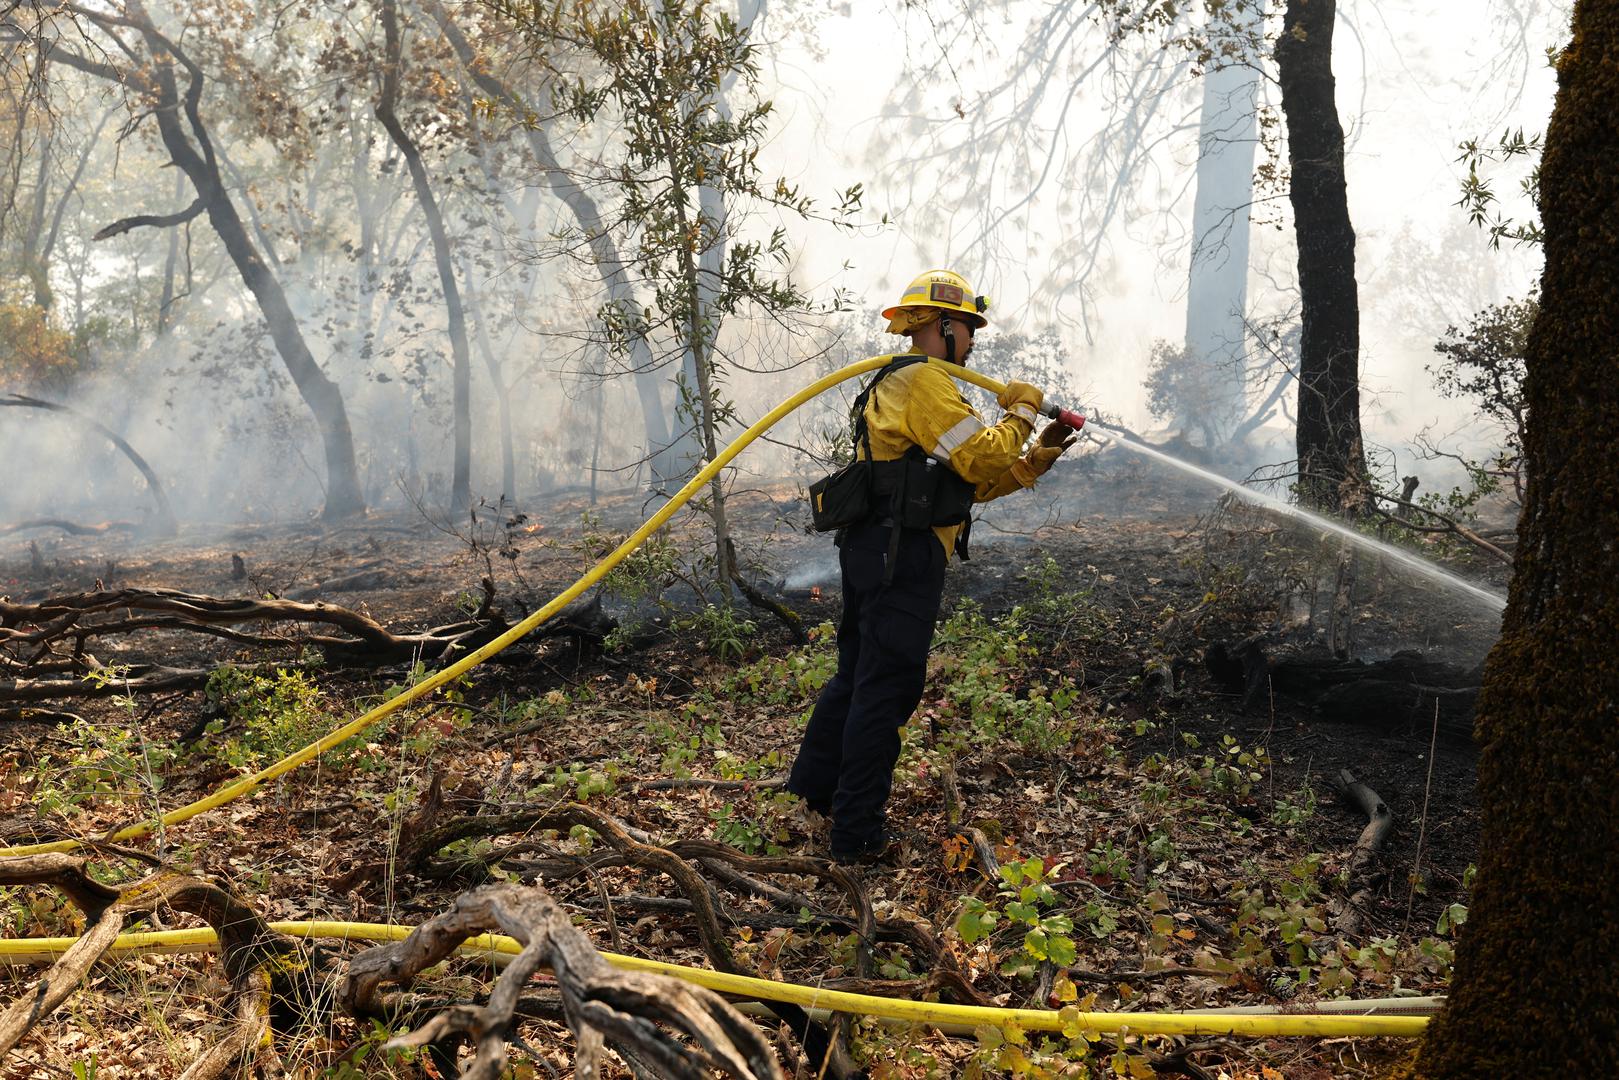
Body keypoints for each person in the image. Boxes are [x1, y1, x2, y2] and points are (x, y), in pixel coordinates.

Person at [786, 269, 1077, 864]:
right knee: (885, 688)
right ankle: (856, 836)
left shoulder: (925, 386)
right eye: (968, 329)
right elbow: (981, 455)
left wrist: (1035, 459)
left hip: (883, 548)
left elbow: (967, 484)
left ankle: (810, 798)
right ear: (941, 327)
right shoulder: (921, 382)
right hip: (900, 556)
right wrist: (1020, 410)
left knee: (858, 678)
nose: (972, 343)